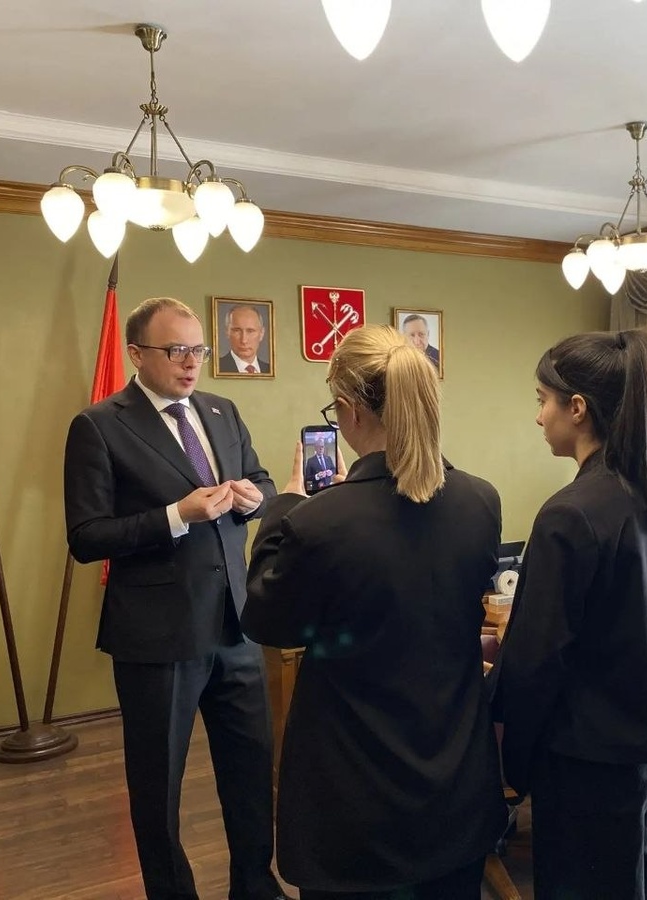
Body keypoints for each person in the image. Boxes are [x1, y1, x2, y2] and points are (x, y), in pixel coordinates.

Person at [241, 324, 505, 900]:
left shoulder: (316, 522)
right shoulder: (480, 501)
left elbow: (265, 621)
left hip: (353, 800)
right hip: (454, 787)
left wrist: (285, 505)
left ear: (349, 410)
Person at [64, 297, 286, 900]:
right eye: (176, 350)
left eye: (198, 350)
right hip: (157, 637)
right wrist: (175, 516)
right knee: (158, 785)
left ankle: (254, 885)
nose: (191, 363)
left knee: (250, 770)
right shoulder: (99, 425)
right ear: (137, 354)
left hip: (236, 625)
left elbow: (263, 482)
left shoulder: (221, 409)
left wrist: (255, 500)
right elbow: (86, 537)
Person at [490, 329, 647, 900]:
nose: (538, 417)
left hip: (588, 760)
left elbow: (536, 659)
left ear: (576, 408)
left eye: (542, 401)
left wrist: (507, 755)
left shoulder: (570, 515)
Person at [219, 304, 270, 374]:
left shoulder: (270, 370)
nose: (244, 340)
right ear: (227, 332)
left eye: (250, 331)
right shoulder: (217, 367)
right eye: (237, 331)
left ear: (261, 333)